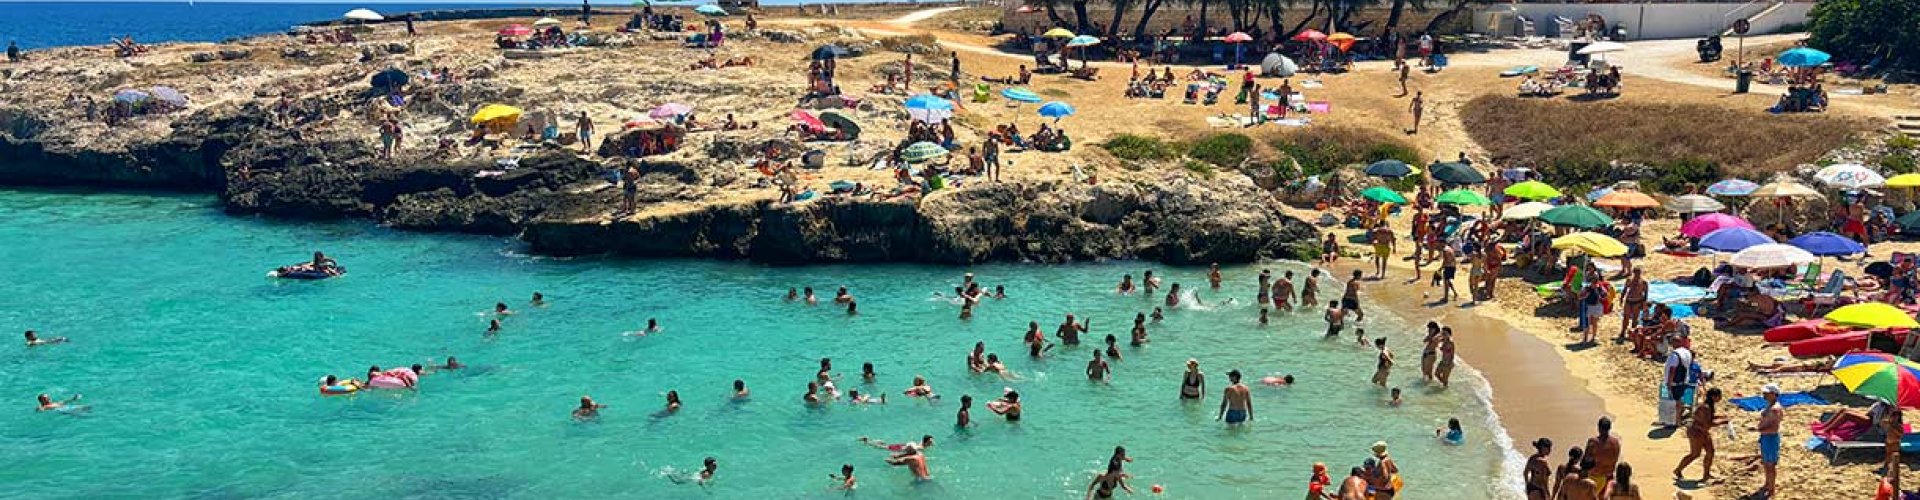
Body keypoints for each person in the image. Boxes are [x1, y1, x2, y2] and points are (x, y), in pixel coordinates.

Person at [1756, 384, 1784, 497]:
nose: (1764, 395)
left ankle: (1771, 488)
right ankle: (1767, 484)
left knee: (1770, 465)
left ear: (1774, 394)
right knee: (1766, 463)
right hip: (1766, 437)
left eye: (1767, 393)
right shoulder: (1770, 406)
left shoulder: (1775, 409)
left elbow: (1774, 428)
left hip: (1770, 438)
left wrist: (1758, 429)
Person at [1585, 417, 1622, 494]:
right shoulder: (1616, 443)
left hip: (1595, 477)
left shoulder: (1593, 442)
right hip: (1609, 477)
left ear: (1598, 428)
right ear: (1610, 428)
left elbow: (1586, 461)